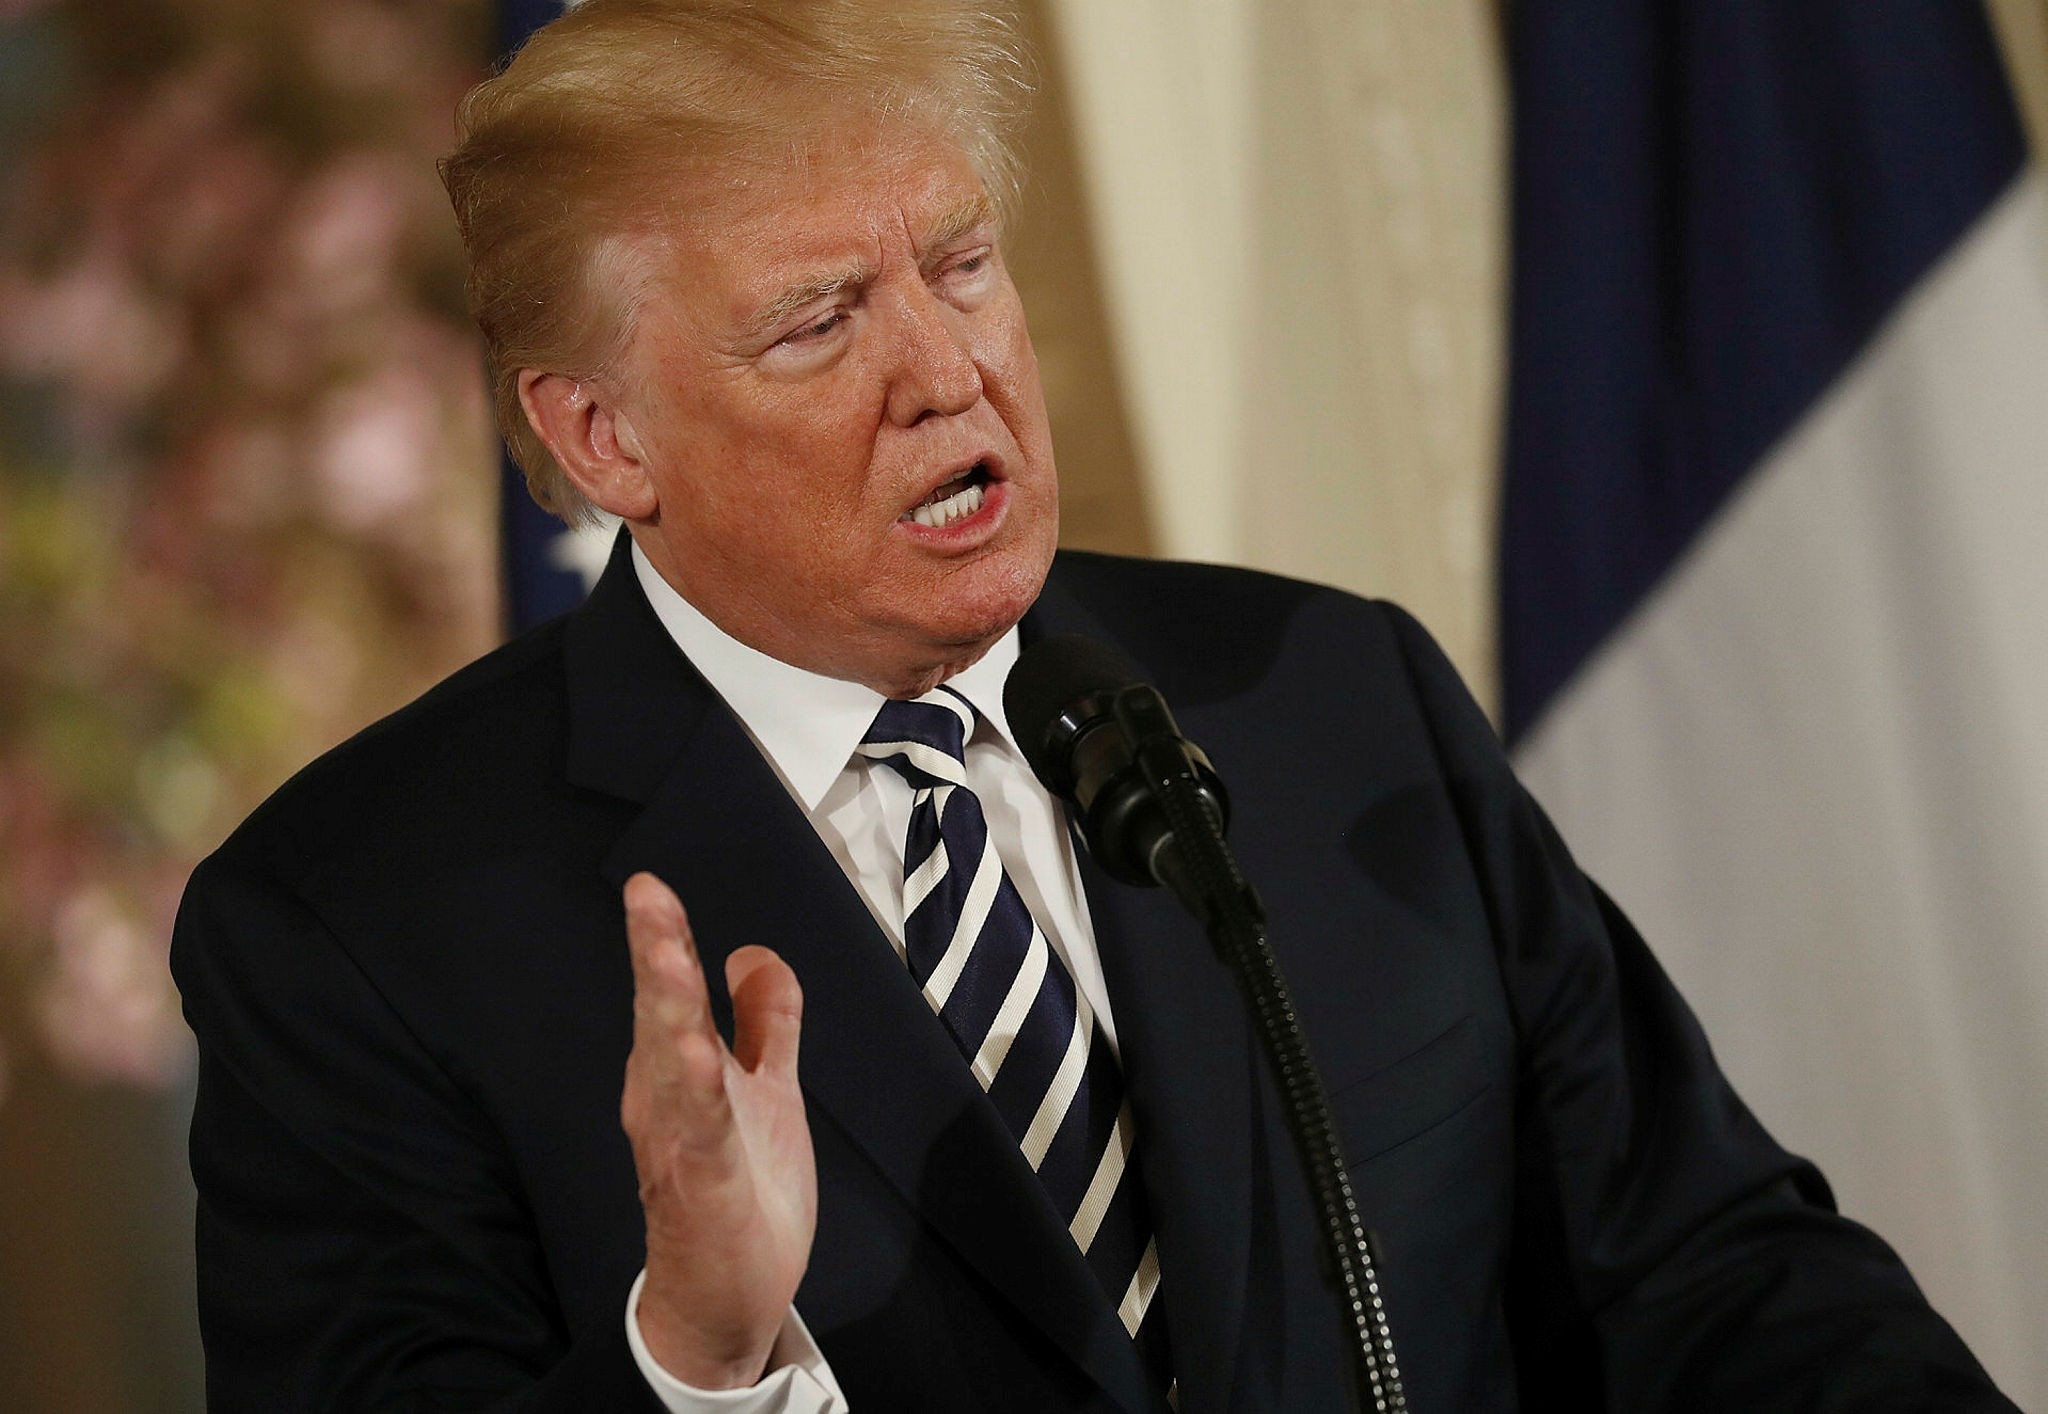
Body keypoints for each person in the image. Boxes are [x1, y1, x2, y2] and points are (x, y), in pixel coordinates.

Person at [171, 1, 2015, 1409]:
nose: (949, 367)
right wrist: (706, 1358)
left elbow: (1705, 1270)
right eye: (819, 321)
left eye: (962, 263)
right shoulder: (359, 933)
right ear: (604, 437)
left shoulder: (1328, 700)